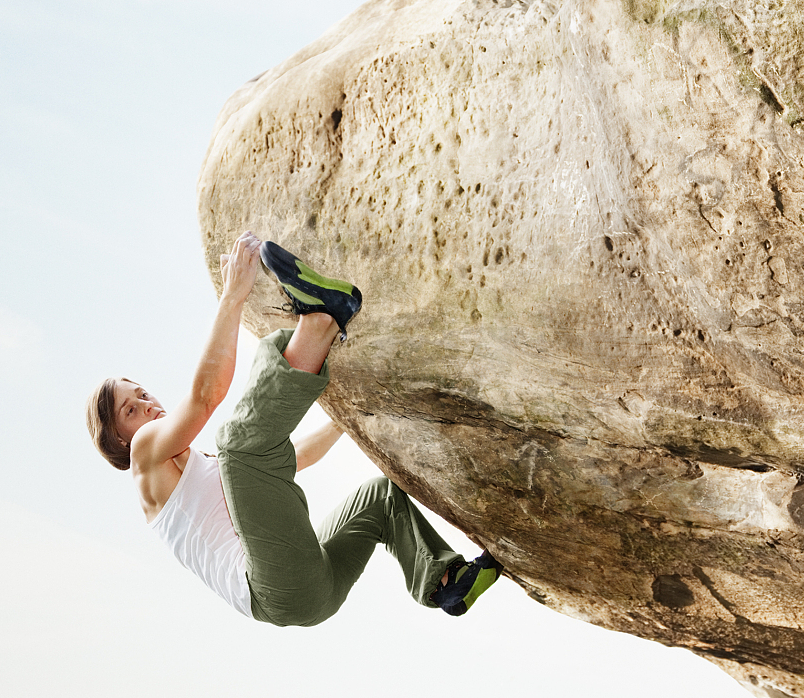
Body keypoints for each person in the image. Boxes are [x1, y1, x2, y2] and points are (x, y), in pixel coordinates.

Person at [86, 231, 501, 627]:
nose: (146, 403)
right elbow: (204, 398)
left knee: (381, 496)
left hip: (312, 591)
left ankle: (449, 583)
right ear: (119, 438)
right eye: (131, 409)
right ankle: (321, 320)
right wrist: (233, 294)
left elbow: (294, 458)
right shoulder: (145, 460)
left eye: (141, 393)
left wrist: (344, 421)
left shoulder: (196, 469)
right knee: (238, 445)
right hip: (271, 586)